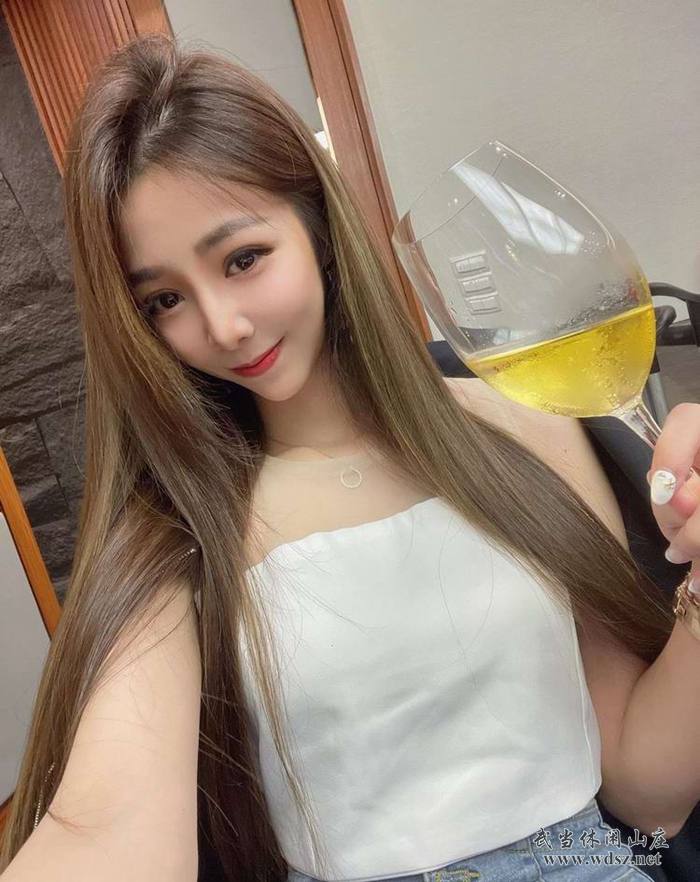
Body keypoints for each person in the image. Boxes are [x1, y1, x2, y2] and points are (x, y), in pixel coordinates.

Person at [2, 33, 700, 882]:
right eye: (164, 300)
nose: (223, 326)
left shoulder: (524, 432)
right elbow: (103, 824)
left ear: (319, 228)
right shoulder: (180, 531)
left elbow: (647, 795)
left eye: (243, 259)